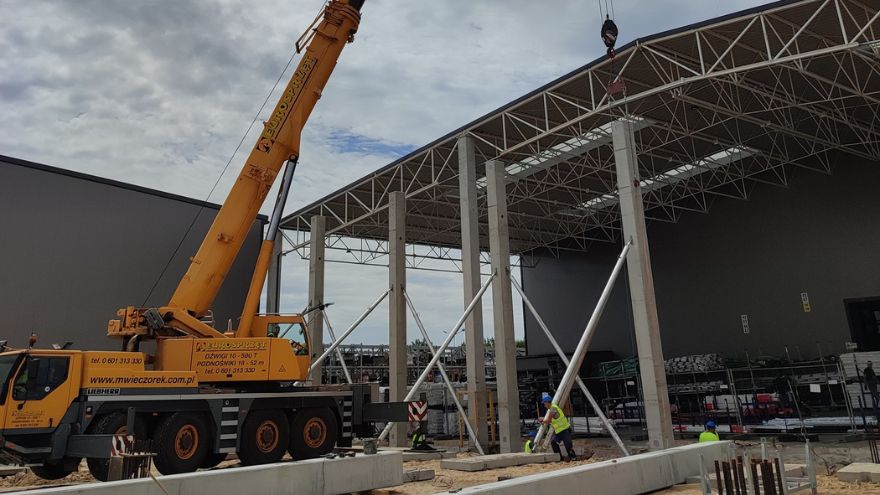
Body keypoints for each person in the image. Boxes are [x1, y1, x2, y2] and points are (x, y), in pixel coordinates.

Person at [538, 393, 576, 461]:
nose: (544, 404)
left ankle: (573, 458)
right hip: (559, 431)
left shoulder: (553, 409)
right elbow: (551, 418)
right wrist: (543, 419)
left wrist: (542, 420)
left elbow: (548, 420)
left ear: (547, 403)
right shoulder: (552, 408)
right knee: (553, 442)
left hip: (564, 430)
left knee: (568, 445)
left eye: (544, 403)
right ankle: (559, 458)